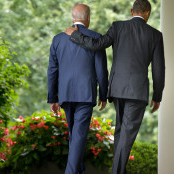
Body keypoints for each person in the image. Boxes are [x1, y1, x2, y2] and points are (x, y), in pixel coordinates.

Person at [64, 0, 165, 173]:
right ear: (147, 13)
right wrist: (157, 96)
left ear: (132, 11)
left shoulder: (118, 27)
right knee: (126, 135)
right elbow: (158, 69)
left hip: (117, 89)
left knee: (121, 132)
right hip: (137, 91)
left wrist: (75, 35)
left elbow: (97, 45)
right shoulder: (155, 35)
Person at [47, 4, 109, 174]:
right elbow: (101, 71)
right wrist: (104, 94)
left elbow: (52, 70)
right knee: (79, 136)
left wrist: (53, 97)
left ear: (72, 17)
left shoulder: (58, 39)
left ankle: (78, 171)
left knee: (75, 137)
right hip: (86, 94)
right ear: (88, 18)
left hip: (65, 94)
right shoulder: (96, 38)